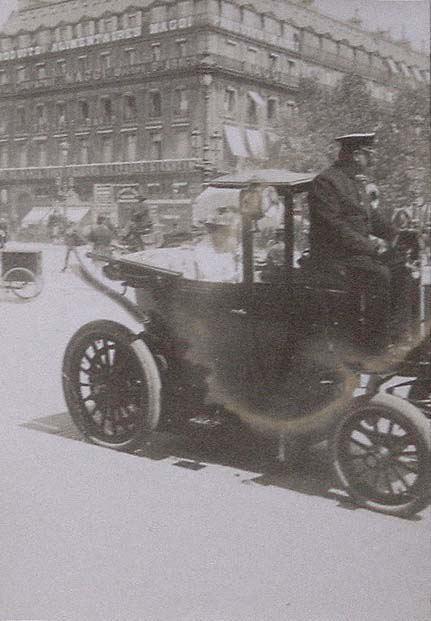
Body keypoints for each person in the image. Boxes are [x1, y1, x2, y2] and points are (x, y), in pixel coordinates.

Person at [308, 132, 397, 352]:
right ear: (357, 155)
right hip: (334, 259)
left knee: (403, 267)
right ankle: (373, 346)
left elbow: (370, 218)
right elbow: (334, 227)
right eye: (370, 154)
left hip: (356, 256)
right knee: (381, 275)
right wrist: (371, 247)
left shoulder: (356, 183)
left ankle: (396, 335)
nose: (373, 158)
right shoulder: (326, 182)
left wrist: (397, 234)